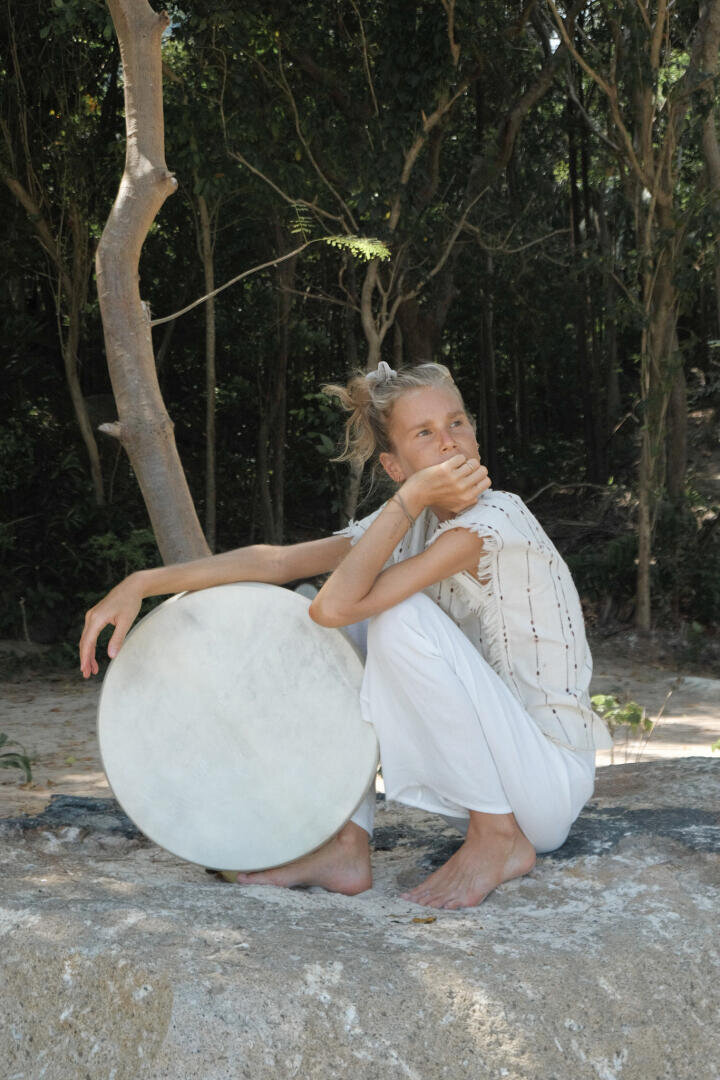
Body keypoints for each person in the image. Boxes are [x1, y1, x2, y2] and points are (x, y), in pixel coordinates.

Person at [79, 361, 613, 910]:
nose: (449, 444)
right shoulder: (414, 519)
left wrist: (406, 502)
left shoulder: (495, 520)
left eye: (457, 423)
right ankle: (345, 842)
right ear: (394, 464)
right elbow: (280, 562)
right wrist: (144, 582)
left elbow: (337, 605)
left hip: (546, 782)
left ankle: (497, 838)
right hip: (503, 770)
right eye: (424, 434)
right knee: (339, 606)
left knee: (391, 614)